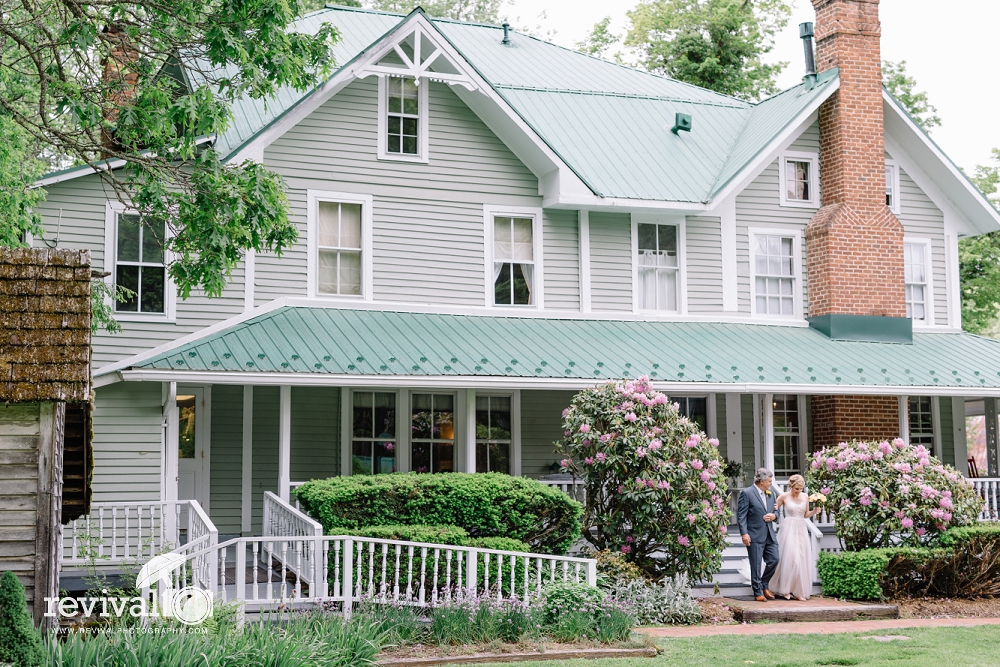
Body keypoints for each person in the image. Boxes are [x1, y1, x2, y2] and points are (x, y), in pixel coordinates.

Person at [769, 474, 821, 600]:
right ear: (791, 486)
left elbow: (805, 514)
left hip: (801, 528)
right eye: (796, 488)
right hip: (788, 528)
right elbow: (773, 509)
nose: (799, 491)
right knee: (790, 558)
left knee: (800, 560)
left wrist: (814, 511)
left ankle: (797, 591)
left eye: (801, 489)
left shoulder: (805, 497)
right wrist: (772, 515)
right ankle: (784, 589)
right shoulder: (783, 496)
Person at [737, 468, 779, 602]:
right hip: (754, 534)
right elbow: (741, 516)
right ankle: (758, 591)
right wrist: (744, 534)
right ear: (762, 481)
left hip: (770, 535)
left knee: (774, 559)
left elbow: (777, 512)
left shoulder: (771, 494)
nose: (771, 483)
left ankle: (764, 584)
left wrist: (774, 516)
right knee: (755, 565)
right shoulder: (747, 493)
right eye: (769, 481)